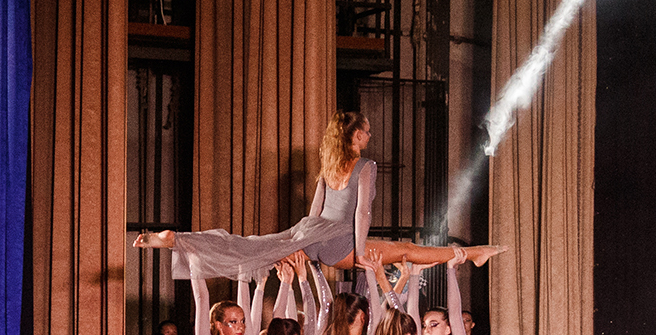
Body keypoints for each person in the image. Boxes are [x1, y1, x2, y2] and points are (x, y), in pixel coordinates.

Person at [133, 112, 505, 274]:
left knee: (249, 245)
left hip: (311, 233)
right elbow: (361, 213)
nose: (369, 136)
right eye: (366, 131)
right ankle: (473, 253)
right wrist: (360, 251)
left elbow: (314, 211)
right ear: (354, 135)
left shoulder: (329, 166)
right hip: (340, 241)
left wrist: (305, 243)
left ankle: (176, 240)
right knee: (405, 248)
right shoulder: (365, 166)